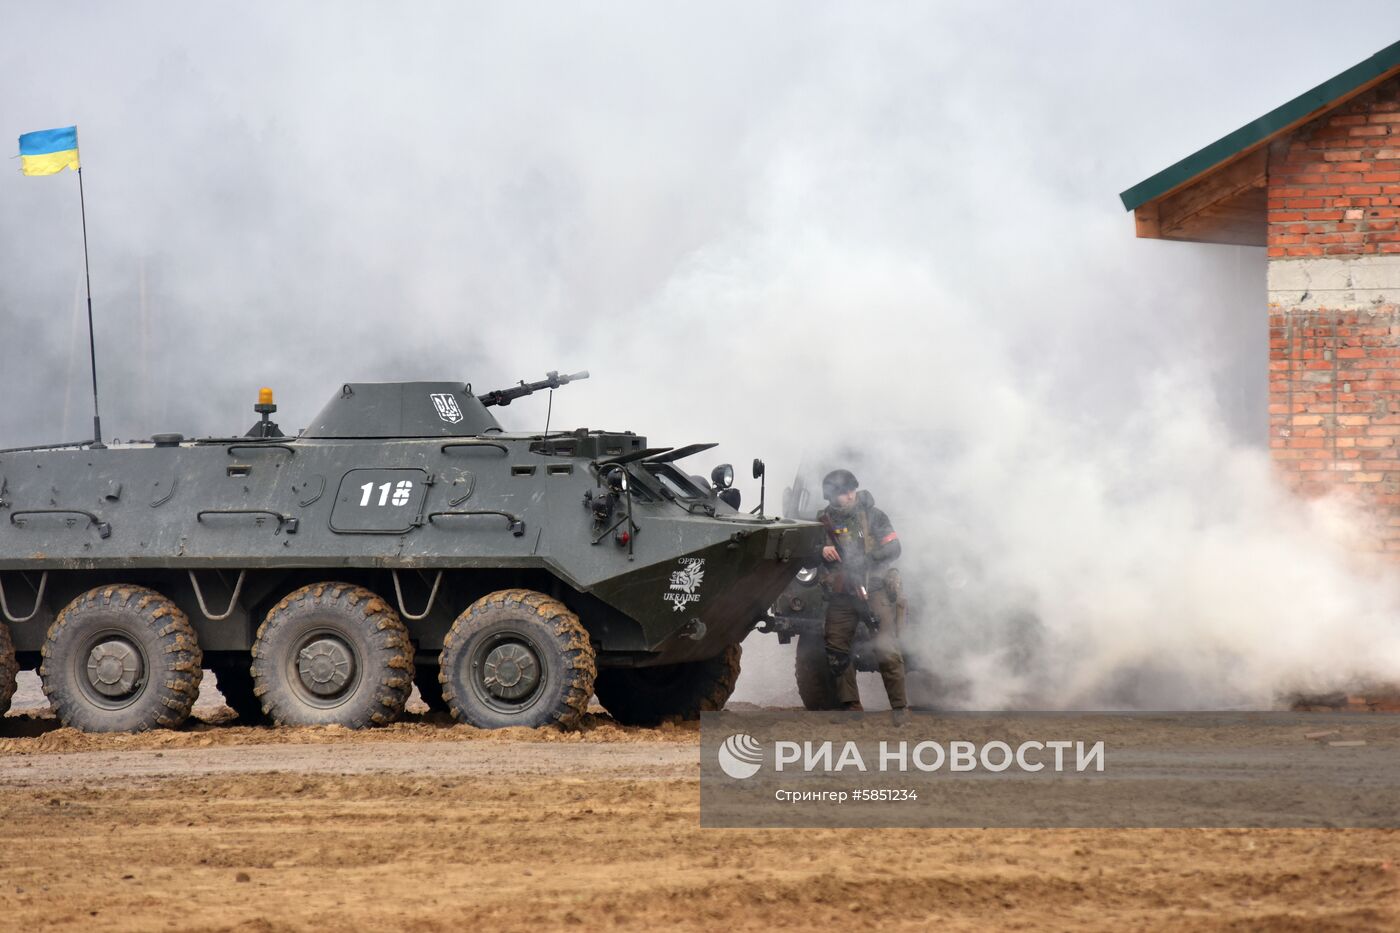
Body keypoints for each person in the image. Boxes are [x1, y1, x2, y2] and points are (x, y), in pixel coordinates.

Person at [817, 468, 907, 713]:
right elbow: (802, 553)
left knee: (886, 649)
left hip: (873, 590)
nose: (848, 496)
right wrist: (820, 551)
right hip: (840, 595)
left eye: (850, 490)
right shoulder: (822, 522)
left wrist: (868, 559)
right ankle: (851, 706)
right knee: (836, 650)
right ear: (830, 495)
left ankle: (900, 709)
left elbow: (894, 548)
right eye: (841, 492)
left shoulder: (873, 516)